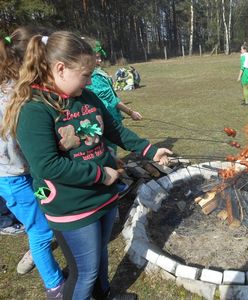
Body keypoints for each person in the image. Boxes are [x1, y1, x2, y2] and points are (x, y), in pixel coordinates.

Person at [1, 30, 172, 300]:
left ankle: (104, 295)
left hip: (102, 196)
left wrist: (149, 149)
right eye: (85, 75)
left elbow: (114, 129)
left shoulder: (87, 97)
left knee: (100, 254)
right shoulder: (34, 109)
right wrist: (100, 174)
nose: (90, 80)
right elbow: (48, 166)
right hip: (71, 205)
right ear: (60, 68)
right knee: (84, 273)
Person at [0, 27, 65, 298]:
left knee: (43, 215)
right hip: (13, 180)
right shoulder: (13, 97)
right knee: (39, 230)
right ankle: (54, 285)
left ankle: (37, 255)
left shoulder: (14, 91)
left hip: (25, 176)